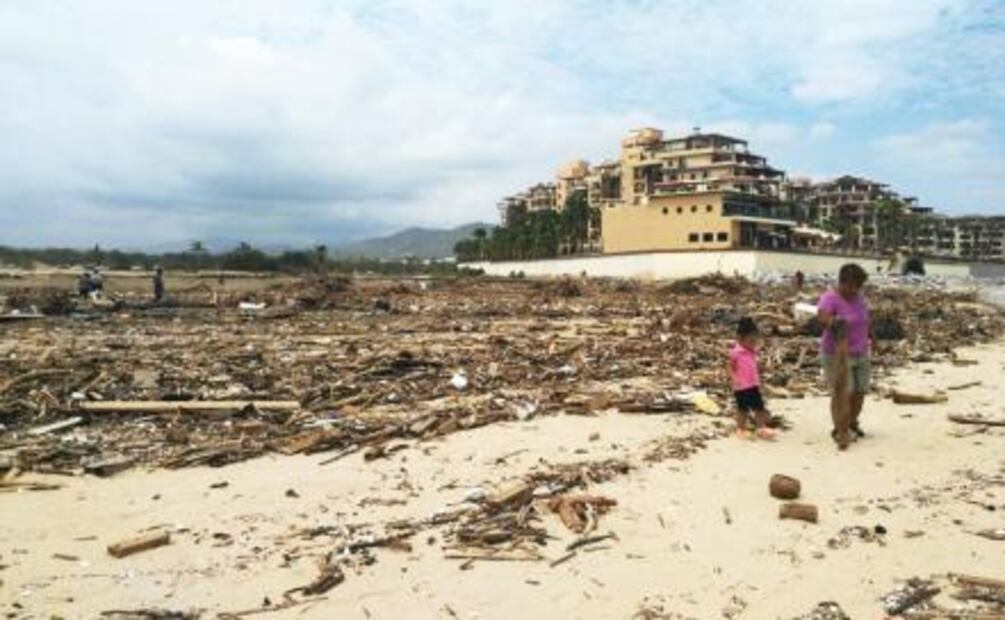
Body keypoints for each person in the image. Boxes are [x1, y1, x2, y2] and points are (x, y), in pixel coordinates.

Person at [818, 263, 872, 450]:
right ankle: (839, 429)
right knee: (842, 393)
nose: (854, 290)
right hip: (837, 354)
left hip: (861, 352)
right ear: (842, 282)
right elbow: (823, 317)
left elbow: (865, 321)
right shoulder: (829, 298)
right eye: (852, 286)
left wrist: (872, 338)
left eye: (858, 286)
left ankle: (851, 423)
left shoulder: (860, 299)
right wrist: (834, 322)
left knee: (860, 391)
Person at [729, 317, 776, 440]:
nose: (753, 343)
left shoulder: (752, 351)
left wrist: (763, 369)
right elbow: (731, 367)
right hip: (741, 387)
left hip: (753, 384)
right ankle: (741, 429)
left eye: (755, 341)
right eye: (750, 341)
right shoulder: (736, 352)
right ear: (740, 338)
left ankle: (761, 428)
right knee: (743, 409)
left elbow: (754, 365)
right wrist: (734, 379)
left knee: (759, 407)